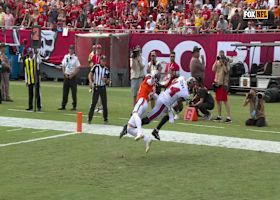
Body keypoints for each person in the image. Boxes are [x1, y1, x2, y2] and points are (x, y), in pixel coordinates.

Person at [120, 74, 156, 152]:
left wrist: (152, 77)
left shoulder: (147, 80)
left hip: (142, 100)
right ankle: (147, 138)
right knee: (129, 128)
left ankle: (139, 132)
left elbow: (151, 81)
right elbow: (155, 95)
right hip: (144, 104)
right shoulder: (151, 88)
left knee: (135, 113)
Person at [88, 55, 110, 125]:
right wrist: (91, 82)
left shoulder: (106, 70)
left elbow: (108, 81)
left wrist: (106, 80)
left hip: (103, 87)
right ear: (100, 60)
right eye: (102, 60)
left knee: (104, 104)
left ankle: (105, 119)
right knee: (93, 103)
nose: (103, 62)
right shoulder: (96, 67)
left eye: (104, 61)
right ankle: (89, 118)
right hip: (96, 87)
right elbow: (90, 74)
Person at [58, 45, 80, 111]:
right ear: (69, 50)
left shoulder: (75, 58)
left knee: (73, 92)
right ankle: (63, 105)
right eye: (70, 49)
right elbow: (63, 65)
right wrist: (64, 73)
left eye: (72, 49)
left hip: (72, 77)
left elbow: (78, 68)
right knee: (65, 92)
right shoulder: (66, 57)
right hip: (66, 76)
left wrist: (73, 75)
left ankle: (74, 106)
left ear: (73, 50)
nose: (71, 50)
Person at [212, 50, 232, 123]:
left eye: (221, 55)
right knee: (218, 100)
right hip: (217, 83)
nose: (220, 57)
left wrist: (223, 63)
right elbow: (213, 69)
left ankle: (229, 117)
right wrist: (216, 61)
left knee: (225, 100)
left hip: (223, 84)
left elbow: (227, 71)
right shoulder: (217, 62)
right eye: (219, 55)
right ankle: (219, 116)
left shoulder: (226, 62)